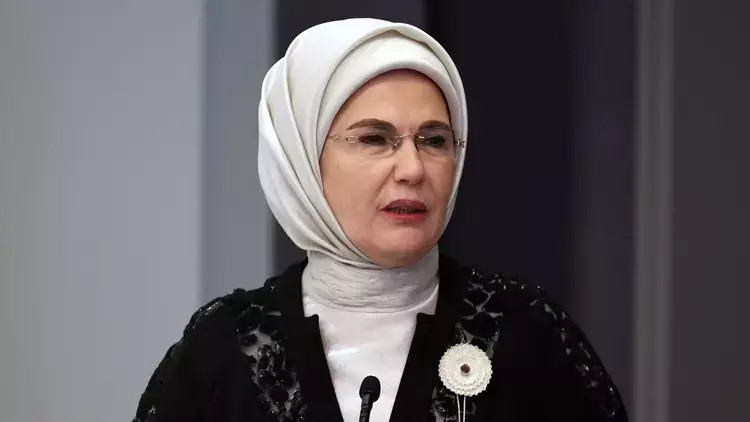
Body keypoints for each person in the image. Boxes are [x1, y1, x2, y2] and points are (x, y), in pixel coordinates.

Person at [133, 18, 627, 422]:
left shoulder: (530, 335)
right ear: (302, 160)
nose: (413, 169)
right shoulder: (222, 350)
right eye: (374, 138)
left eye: (434, 140)